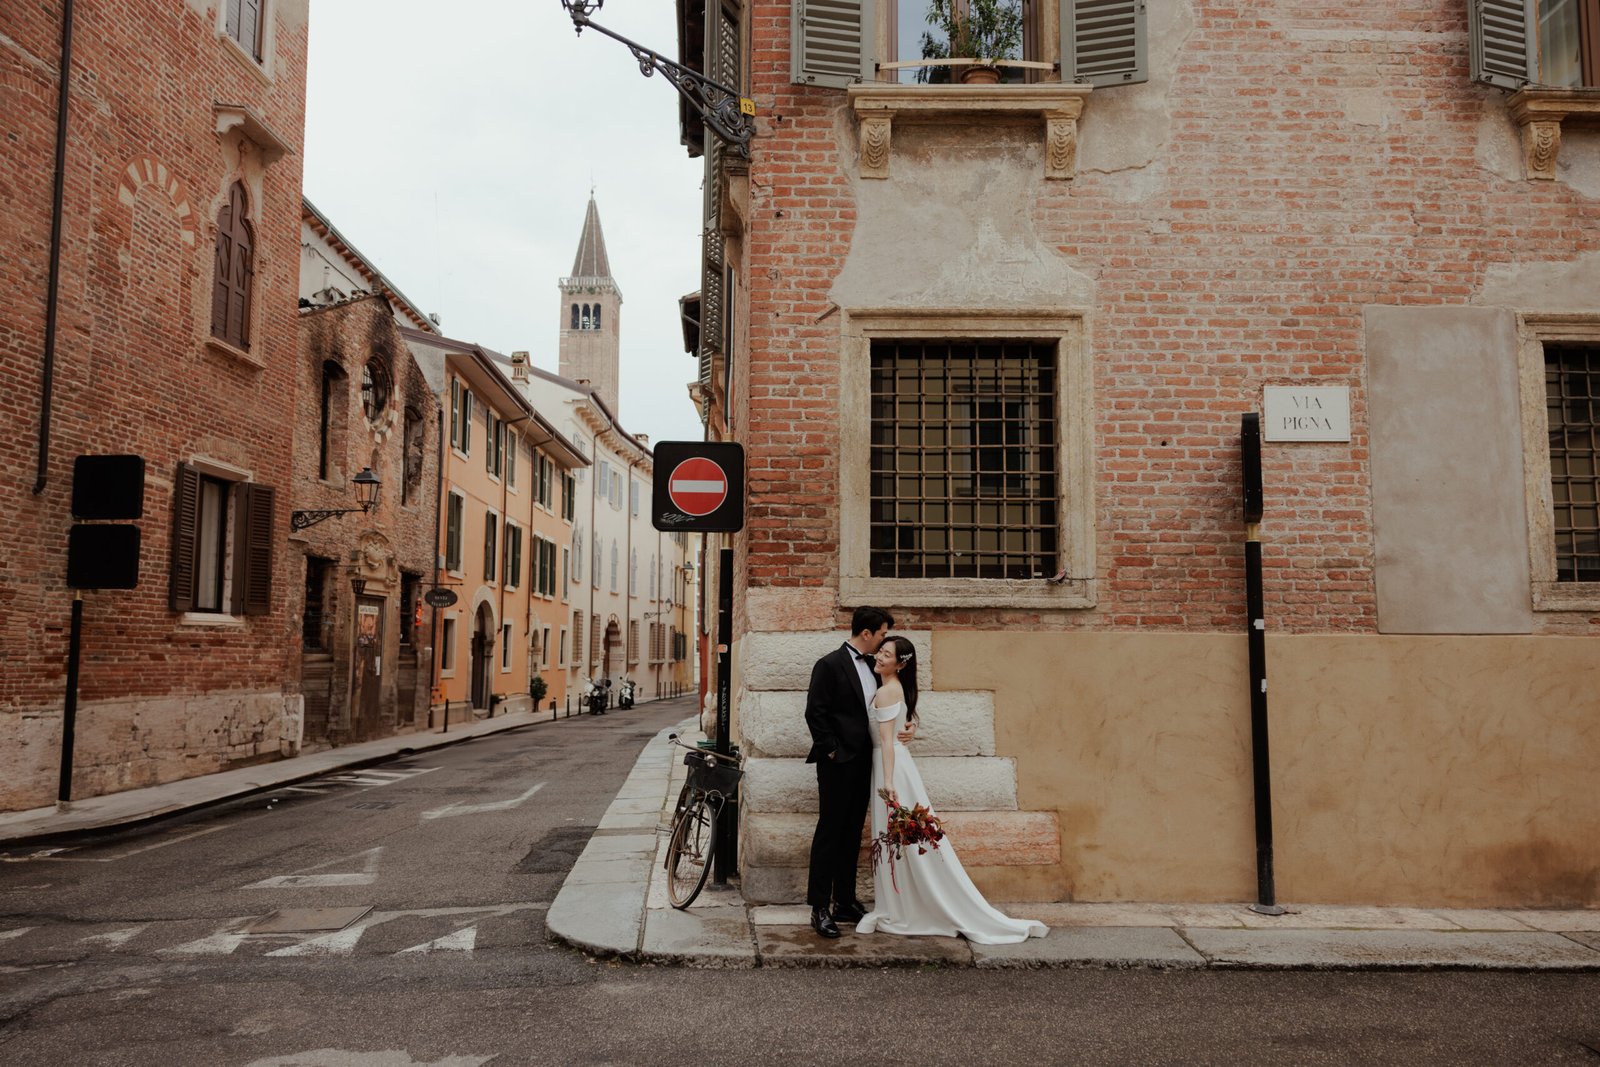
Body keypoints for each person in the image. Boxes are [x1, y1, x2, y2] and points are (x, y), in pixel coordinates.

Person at [856, 635, 1048, 945]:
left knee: (901, 836)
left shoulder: (886, 691)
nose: (879, 656)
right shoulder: (896, 688)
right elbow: (903, 723)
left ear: (900, 664)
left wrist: (888, 782)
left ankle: (902, 907)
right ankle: (901, 904)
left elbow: (887, 742)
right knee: (900, 838)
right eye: (880, 650)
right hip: (895, 765)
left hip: (890, 767)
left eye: (887, 654)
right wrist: (911, 728)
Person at [803, 605, 894, 939]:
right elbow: (815, 713)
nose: (884, 640)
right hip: (837, 763)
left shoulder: (874, 666)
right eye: (881, 633)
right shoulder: (828, 665)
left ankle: (844, 901)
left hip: (865, 762)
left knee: (853, 832)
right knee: (830, 832)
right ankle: (819, 907)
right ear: (866, 633)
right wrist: (832, 751)